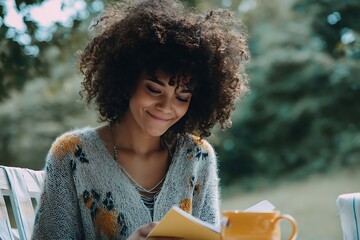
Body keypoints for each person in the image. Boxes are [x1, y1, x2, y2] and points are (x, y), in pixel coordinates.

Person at [32, 0, 249, 239]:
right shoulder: (71, 154)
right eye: (154, 90)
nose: (166, 107)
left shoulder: (197, 157)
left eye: (182, 97)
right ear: (127, 81)